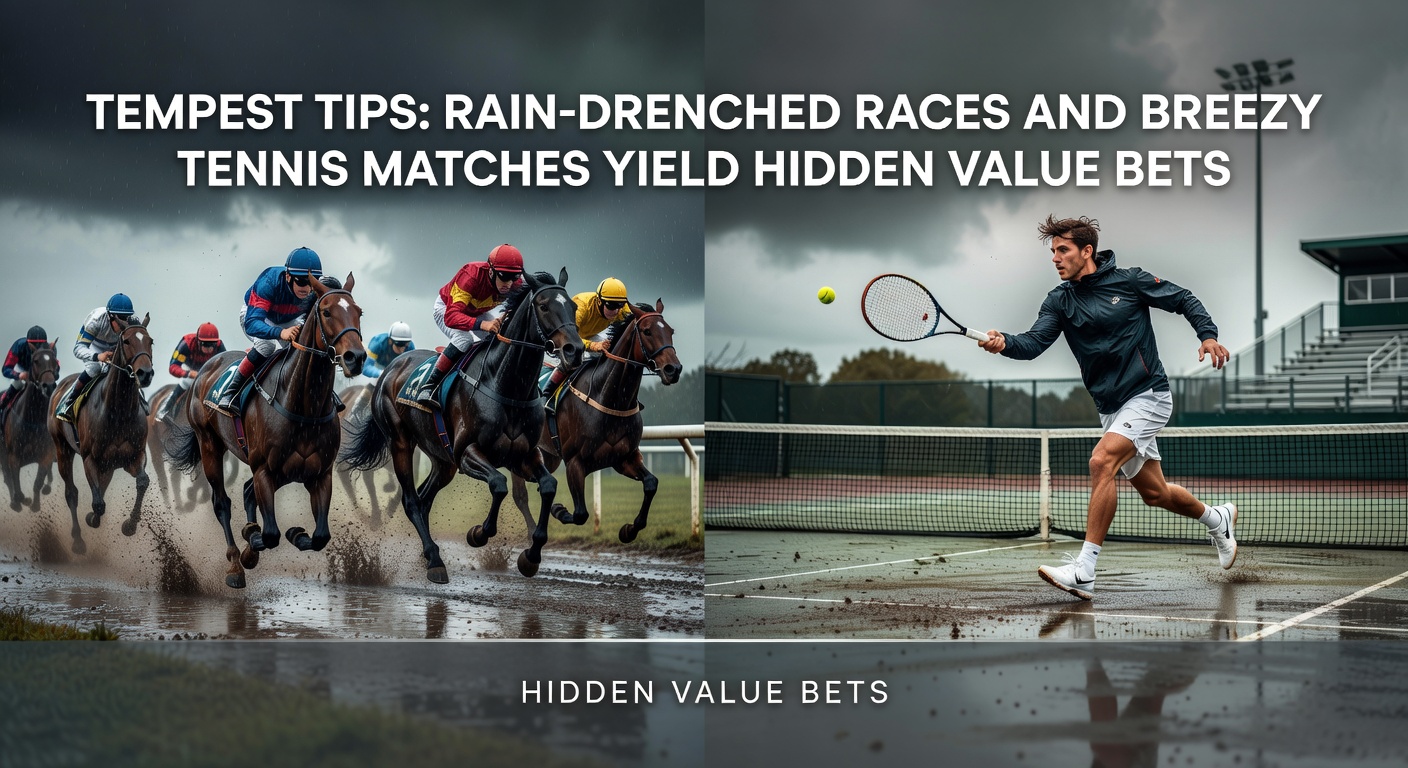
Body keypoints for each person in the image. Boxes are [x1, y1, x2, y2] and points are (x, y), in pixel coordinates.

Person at [977, 215, 1235, 600]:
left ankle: (1084, 570)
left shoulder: (1129, 281)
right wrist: (1004, 343)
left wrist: (1208, 335)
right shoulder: (1059, 301)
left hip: (1148, 394)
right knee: (1155, 494)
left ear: (1087, 251)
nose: (1056, 258)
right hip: (1112, 408)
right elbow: (1032, 343)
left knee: (1101, 462)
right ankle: (1218, 519)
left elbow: (1183, 298)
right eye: (1053, 252)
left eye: (1063, 250)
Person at [412, 243, 525, 408]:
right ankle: (429, 386)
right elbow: (451, 317)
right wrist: (482, 324)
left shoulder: (515, 284)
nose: (509, 283)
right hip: (447, 308)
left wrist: (503, 317)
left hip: (477, 311)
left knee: (501, 337)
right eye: (504, 276)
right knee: (464, 339)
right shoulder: (470, 275)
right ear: (491, 271)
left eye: (514, 277)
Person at [215, 247, 322, 412]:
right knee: (267, 346)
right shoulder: (268, 282)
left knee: (304, 349)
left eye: (311, 281)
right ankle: (231, 392)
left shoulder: (315, 290)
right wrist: (280, 333)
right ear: (288, 276)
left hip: (288, 319)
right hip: (257, 316)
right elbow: (252, 322)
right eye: (301, 281)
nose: (306, 288)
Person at [542, 277, 633, 397]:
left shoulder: (621, 310)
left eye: (620, 305)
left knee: (613, 353)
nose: (616, 311)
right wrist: (594, 346)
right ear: (599, 301)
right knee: (575, 357)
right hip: (565, 337)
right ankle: (547, 392)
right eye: (611, 306)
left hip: (587, 336)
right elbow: (570, 337)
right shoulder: (582, 306)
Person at [55, 294, 137, 422]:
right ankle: (69, 401)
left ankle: (140, 402)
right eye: (120, 318)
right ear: (110, 316)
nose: (124, 323)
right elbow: (78, 349)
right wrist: (98, 356)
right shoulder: (95, 320)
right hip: (94, 346)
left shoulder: (131, 323)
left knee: (129, 371)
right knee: (94, 368)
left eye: (126, 317)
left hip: (116, 348)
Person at [159, 322, 225, 421]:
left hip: (208, 371)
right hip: (189, 369)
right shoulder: (186, 344)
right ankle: (164, 410)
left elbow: (224, 366)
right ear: (198, 341)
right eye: (205, 344)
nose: (209, 349)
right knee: (186, 382)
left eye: (212, 344)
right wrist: (188, 373)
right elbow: (173, 367)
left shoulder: (219, 346)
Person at [0, 326, 57, 418]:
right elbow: (5, 369)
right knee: (17, 385)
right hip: (22, 370)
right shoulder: (19, 345)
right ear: (28, 343)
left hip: (40, 374)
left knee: (53, 388)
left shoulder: (50, 349)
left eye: (41, 344)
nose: (38, 347)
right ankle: (2, 408)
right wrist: (19, 375)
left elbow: (55, 368)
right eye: (34, 344)